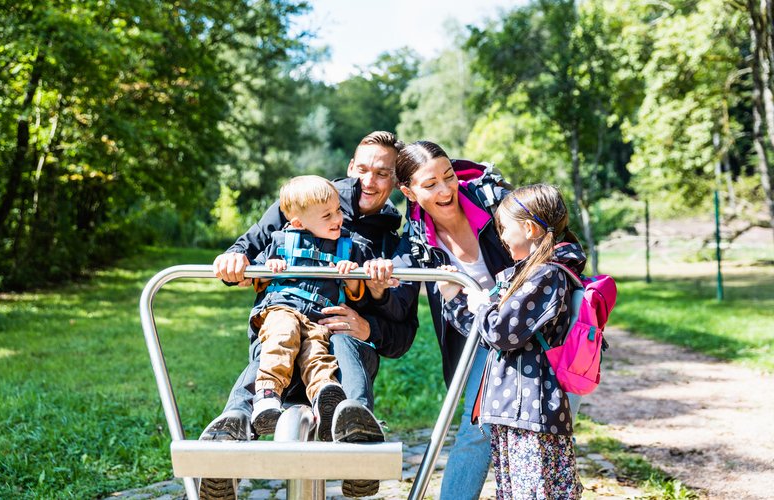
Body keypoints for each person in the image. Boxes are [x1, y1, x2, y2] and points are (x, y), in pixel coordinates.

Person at [200, 131, 418, 500]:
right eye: (362, 168)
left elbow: (402, 331)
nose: (369, 180)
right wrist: (237, 258)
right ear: (350, 167)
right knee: (280, 339)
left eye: (383, 173)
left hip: (341, 348)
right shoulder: (309, 199)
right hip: (288, 325)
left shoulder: (391, 240)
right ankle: (227, 449)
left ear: (396, 179)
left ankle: (357, 440)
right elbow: (252, 244)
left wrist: (369, 320)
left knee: (343, 337)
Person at [383, 140, 513, 500]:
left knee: (546, 427)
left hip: (535, 324)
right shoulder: (416, 243)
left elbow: (546, 240)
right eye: (430, 184)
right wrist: (376, 285)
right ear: (409, 192)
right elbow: (396, 296)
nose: (445, 189)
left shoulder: (492, 199)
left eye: (449, 176)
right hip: (482, 339)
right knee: (478, 428)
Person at [438, 184, 585, 499]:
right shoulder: (528, 276)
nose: (501, 236)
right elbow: (487, 335)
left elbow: (502, 333)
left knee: (534, 492)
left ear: (529, 228)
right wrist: (454, 298)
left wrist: (482, 303)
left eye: (504, 227)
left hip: (531, 414)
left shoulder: (547, 276)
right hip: (514, 410)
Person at [247, 176, 373, 440]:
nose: (337, 219)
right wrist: (269, 269)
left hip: (318, 318)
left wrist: (350, 276)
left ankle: (324, 397)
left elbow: (355, 293)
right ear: (298, 223)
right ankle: (267, 396)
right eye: (327, 216)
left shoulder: (346, 247)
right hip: (282, 310)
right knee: (282, 337)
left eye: (338, 210)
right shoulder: (280, 242)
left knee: (317, 353)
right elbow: (254, 278)